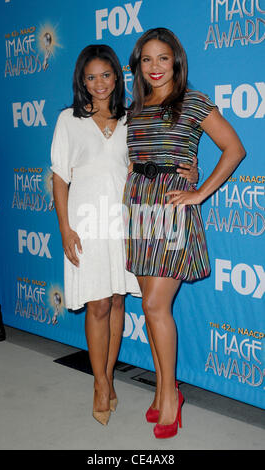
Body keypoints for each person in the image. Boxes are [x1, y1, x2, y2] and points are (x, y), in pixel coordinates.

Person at [51, 44, 199, 426]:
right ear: (81, 82)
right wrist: (65, 228)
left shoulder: (132, 117)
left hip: (129, 220)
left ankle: (110, 377)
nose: (99, 83)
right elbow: (60, 178)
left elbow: (153, 157)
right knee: (97, 305)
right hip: (86, 224)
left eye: (106, 75)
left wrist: (190, 171)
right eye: (91, 77)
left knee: (118, 302)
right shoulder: (69, 119)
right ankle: (100, 382)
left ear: (118, 77)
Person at [123, 28, 245, 439]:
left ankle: (171, 399)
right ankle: (162, 391)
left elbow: (234, 148)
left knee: (156, 305)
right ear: (137, 66)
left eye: (162, 58)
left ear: (176, 60)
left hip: (173, 208)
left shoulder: (192, 101)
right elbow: (135, 160)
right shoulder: (135, 108)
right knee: (150, 307)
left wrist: (198, 191)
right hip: (140, 208)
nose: (155, 67)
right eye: (146, 60)